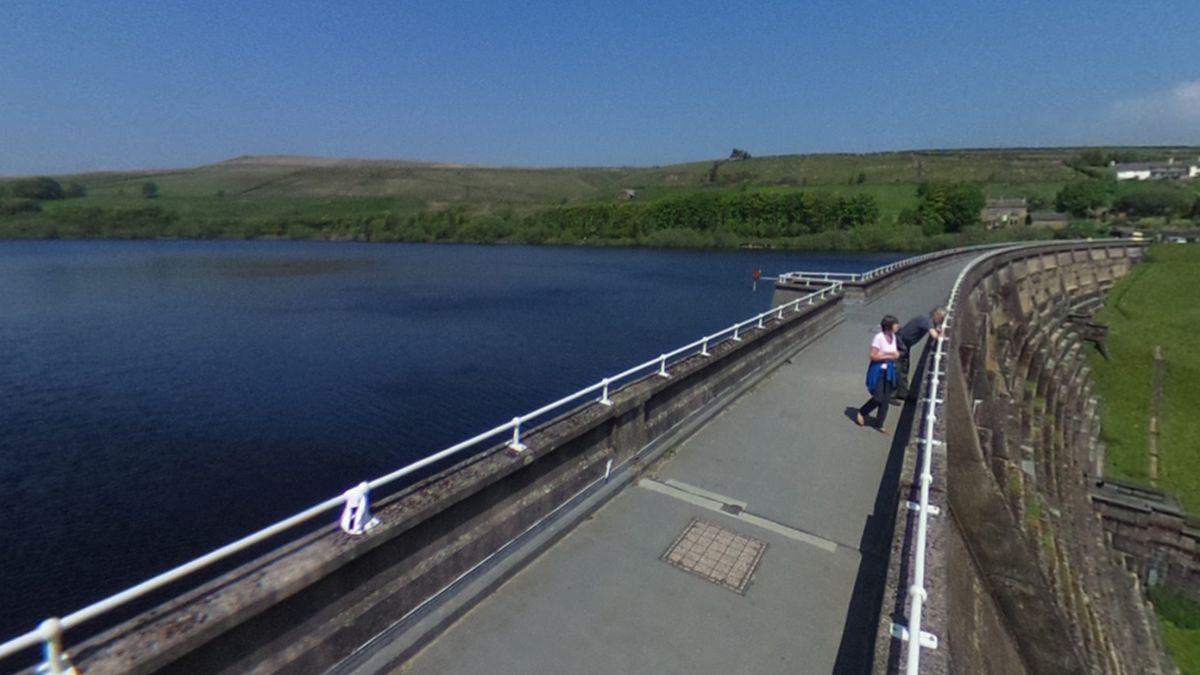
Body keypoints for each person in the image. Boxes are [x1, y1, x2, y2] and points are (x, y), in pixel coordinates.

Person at [857, 315, 901, 434]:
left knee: (886, 399)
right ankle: (862, 412)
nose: (898, 326)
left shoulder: (894, 337)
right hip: (879, 370)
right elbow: (873, 355)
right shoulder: (879, 338)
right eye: (896, 324)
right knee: (878, 397)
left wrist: (895, 355)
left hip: (889, 370)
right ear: (889, 326)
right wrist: (890, 356)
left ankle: (879, 423)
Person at [893, 307, 947, 402]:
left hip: (904, 343)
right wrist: (942, 332)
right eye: (941, 319)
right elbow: (935, 336)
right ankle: (892, 395)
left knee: (903, 368)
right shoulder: (927, 321)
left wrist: (938, 327)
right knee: (898, 369)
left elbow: (935, 329)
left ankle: (902, 393)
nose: (941, 321)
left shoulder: (926, 319)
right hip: (900, 344)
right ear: (937, 316)